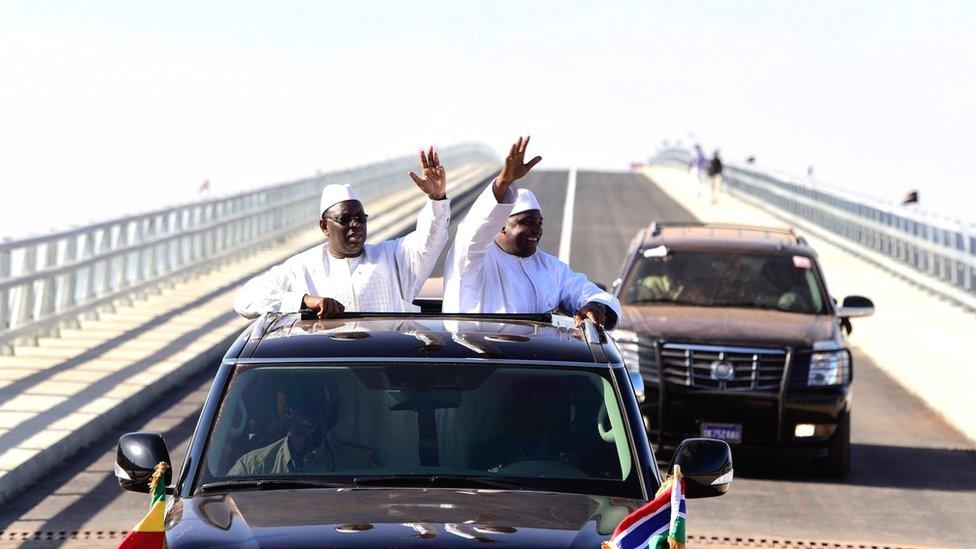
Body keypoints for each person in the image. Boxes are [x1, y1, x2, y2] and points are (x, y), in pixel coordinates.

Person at [234, 147, 451, 318]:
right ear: (324, 227)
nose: (355, 224)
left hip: (387, 368)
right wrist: (305, 300)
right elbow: (246, 299)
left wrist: (436, 199)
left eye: (360, 217)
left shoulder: (392, 257)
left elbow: (430, 239)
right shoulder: (303, 268)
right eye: (345, 219)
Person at [442, 136, 621, 329]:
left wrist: (597, 306)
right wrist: (503, 182)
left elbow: (590, 293)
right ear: (500, 224)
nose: (537, 230)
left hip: (537, 358)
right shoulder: (472, 260)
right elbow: (474, 230)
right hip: (480, 357)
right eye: (526, 222)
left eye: (539, 222)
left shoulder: (549, 267)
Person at [228, 382, 374, 475]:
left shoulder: (357, 463)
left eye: (322, 407)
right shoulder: (253, 467)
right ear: (288, 412)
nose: (316, 414)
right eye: (307, 407)